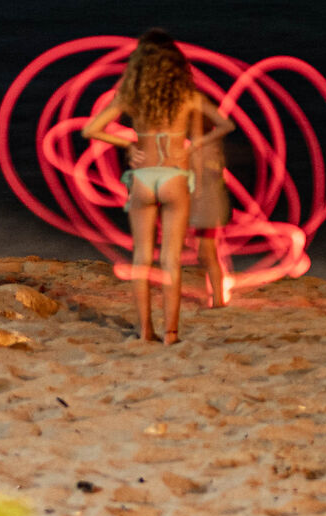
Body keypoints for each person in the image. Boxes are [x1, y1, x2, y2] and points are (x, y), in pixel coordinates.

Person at [82, 30, 232, 343]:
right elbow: (225, 124)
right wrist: (193, 144)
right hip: (175, 176)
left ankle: (145, 331)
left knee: (140, 259)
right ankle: (171, 334)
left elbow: (90, 129)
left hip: (144, 177)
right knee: (170, 261)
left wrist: (125, 142)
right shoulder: (188, 96)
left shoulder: (130, 96)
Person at [188, 130, 233, 308]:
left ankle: (218, 300)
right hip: (207, 208)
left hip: (205, 209)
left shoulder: (202, 149)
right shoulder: (212, 149)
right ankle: (215, 296)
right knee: (205, 254)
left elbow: (196, 181)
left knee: (208, 255)